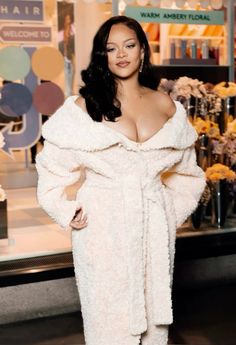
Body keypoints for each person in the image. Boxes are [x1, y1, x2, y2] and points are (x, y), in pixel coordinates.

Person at [36, 16, 206, 345]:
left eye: (129, 45)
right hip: (103, 231)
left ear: (143, 50)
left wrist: (167, 213)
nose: (122, 54)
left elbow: (188, 174)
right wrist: (67, 209)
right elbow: (52, 169)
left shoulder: (167, 106)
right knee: (108, 323)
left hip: (154, 232)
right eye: (111, 48)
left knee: (154, 328)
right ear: (103, 56)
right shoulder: (84, 108)